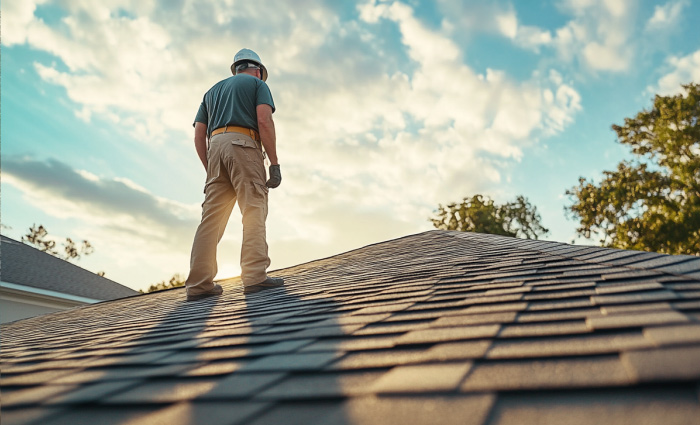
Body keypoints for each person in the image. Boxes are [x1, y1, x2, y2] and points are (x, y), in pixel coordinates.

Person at [185, 48, 284, 301]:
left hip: (214, 148)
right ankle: (255, 276)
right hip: (244, 144)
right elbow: (264, 121)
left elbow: (199, 134)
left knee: (211, 220)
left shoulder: (211, 92)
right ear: (258, 70)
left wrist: (211, 169)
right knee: (253, 207)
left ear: (236, 68)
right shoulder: (256, 84)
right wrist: (274, 163)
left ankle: (198, 284)